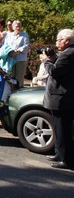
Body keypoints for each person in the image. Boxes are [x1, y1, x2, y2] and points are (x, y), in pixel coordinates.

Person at [42, 29, 74, 169]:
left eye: (58, 40)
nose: (56, 42)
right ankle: (59, 153)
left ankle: (66, 159)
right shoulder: (67, 53)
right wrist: (53, 58)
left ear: (66, 41)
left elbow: (55, 71)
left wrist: (46, 62)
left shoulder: (69, 53)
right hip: (61, 98)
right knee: (57, 128)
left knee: (63, 130)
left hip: (63, 99)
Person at [3, 20, 29, 88]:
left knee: (19, 77)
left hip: (20, 59)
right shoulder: (9, 35)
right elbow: (5, 45)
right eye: (17, 26)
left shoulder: (24, 35)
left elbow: (26, 45)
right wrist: (10, 52)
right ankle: (10, 90)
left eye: (19, 26)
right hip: (11, 58)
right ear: (13, 27)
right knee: (11, 76)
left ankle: (19, 90)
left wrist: (17, 52)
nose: (18, 28)